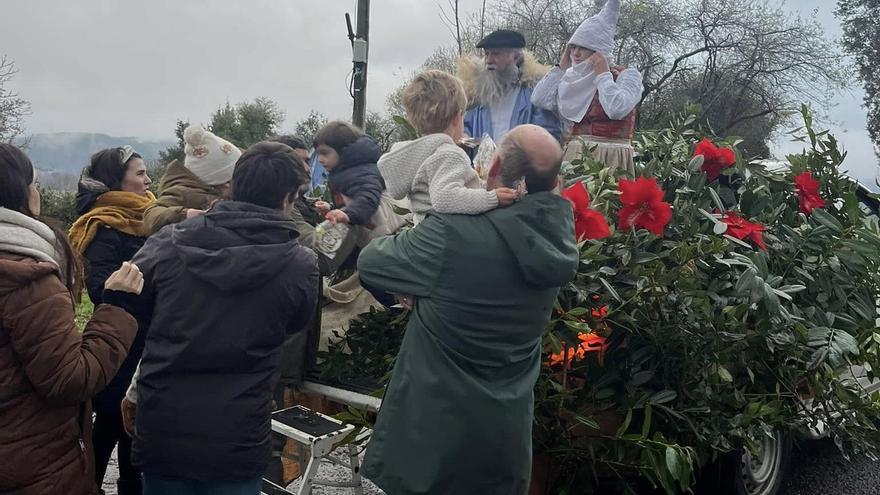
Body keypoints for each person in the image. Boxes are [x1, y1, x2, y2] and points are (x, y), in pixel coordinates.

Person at [359, 124, 579, 494]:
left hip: (434, 442)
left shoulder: (453, 233)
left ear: (492, 168)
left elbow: (372, 262)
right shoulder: (557, 240)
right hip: (504, 441)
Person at [122, 141, 319, 495]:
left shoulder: (168, 243)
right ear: (289, 198)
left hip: (164, 426)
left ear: (232, 185)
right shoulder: (299, 265)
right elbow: (295, 322)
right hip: (238, 434)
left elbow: (131, 306)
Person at [0, 142, 143, 495]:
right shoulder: (27, 278)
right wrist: (117, 305)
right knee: (113, 423)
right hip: (30, 462)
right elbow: (68, 380)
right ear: (21, 193)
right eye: (139, 173)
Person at [68, 146, 155, 495]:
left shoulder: (151, 217)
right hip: (119, 344)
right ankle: (89, 486)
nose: (148, 180)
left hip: (148, 339)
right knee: (109, 423)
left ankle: (128, 486)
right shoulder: (103, 225)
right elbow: (98, 288)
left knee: (133, 429)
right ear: (116, 182)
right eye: (139, 174)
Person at [378, 69, 519, 225]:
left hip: (427, 231)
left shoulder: (420, 155)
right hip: (450, 235)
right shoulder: (449, 154)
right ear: (457, 118)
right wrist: (493, 198)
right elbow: (445, 198)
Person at [531, 0, 642, 174]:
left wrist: (603, 75)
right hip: (575, 157)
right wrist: (561, 68)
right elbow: (538, 99)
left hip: (612, 159)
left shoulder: (627, 75)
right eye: (573, 47)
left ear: (599, 51)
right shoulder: (570, 81)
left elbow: (617, 109)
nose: (575, 53)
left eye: (583, 48)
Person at [458, 29, 562, 145]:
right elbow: (465, 128)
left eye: (496, 54)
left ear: (516, 57)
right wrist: (463, 137)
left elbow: (548, 135)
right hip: (483, 162)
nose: (489, 60)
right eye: (487, 54)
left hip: (520, 162)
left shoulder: (535, 94)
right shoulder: (478, 96)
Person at [143, 125, 241, 233]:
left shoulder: (218, 189)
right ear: (219, 180)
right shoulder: (183, 192)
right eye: (231, 179)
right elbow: (151, 216)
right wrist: (185, 214)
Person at [312, 121, 385, 228]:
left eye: (325, 153)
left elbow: (368, 197)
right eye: (318, 154)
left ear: (343, 150)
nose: (320, 160)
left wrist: (349, 214)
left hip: (377, 235)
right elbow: (350, 200)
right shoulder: (343, 172)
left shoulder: (362, 171)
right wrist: (331, 209)